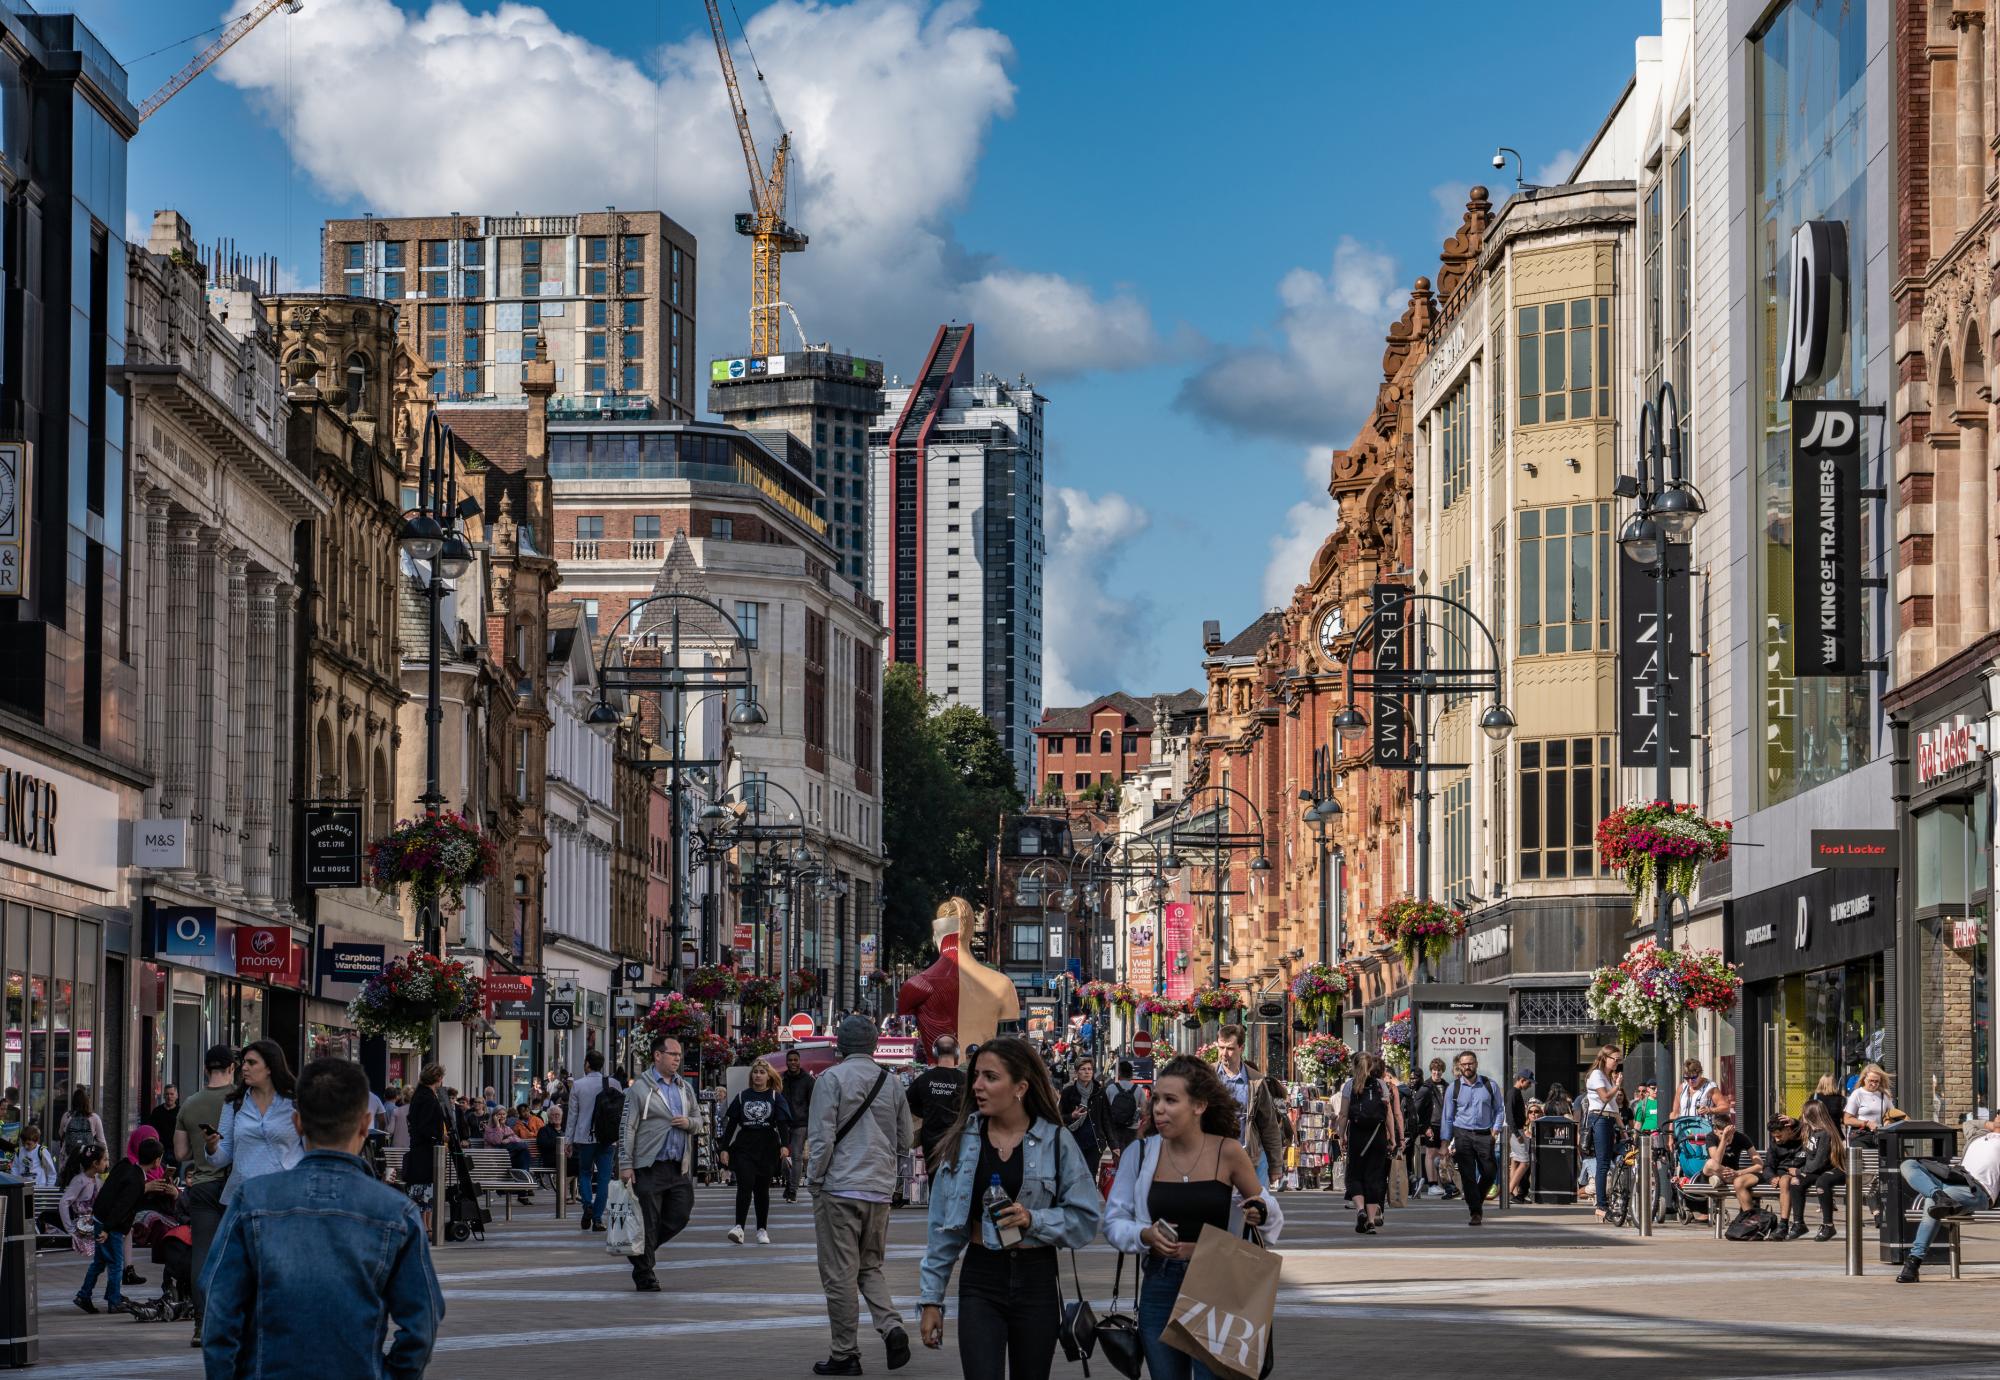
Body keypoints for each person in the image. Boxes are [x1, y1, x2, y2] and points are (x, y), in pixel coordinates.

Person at [202, 1057, 443, 1377]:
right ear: (364, 1124)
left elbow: (219, 1308)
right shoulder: (395, 1212)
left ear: (298, 1123)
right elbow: (422, 1321)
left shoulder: (252, 1201)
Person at [915, 1036, 1102, 1380]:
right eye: (976, 1077)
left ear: (1020, 1087)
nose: (977, 1086)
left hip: (1037, 1279)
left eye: (990, 1077)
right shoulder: (963, 1141)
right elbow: (941, 1231)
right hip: (981, 1279)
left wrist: (1034, 1219)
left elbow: (1086, 1219)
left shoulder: (1057, 1141)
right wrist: (931, 1301)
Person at [1103, 1055, 1274, 1380]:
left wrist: (1258, 1210)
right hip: (1160, 1281)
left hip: (1218, 1280)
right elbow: (1113, 1221)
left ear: (1199, 1106)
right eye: (1156, 1099)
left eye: (1170, 1100)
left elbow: (1268, 1211)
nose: (1159, 1109)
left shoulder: (1228, 1152)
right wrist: (1144, 1235)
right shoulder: (1139, 1153)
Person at [806, 1015, 914, 1376]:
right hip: (878, 1189)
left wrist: (814, 1179)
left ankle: (845, 1353)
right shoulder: (892, 1082)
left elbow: (822, 1137)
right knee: (870, 1266)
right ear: (873, 1045)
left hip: (839, 1187)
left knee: (839, 1274)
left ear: (840, 1045)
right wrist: (892, 1178)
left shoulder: (831, 1079)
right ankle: (891, 1325)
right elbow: (905, 1141)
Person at [618, 1035, 704, 1293]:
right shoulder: (639, 1089)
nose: (678, 1058)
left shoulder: (684, 1088)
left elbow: (699, 1121)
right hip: (648, 1165)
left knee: (680, 1214)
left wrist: (688, 1123)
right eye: (673, 1054)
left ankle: (640, 1253)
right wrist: (626, 1163)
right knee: (649, 1220)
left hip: (677, 1167)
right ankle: (645, 1274)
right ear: (658, 1056)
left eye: (679, 1055)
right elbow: (627, 1128)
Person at [175, 1042, 236, 1347]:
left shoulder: (189, 1104)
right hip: (233, 1185)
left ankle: (200, 1324)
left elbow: (180, 1151)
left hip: (200, 1186)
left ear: (205, 1070)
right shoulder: (241, 1098)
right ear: (233, 1068)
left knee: (201, 1253)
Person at [1897, 1108, 2000, 1282]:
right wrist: (1991, 1125)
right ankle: (1938, 1195)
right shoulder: (1979, 1135)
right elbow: (1968, 1124)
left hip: (1976, 1189)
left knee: (1931, 1204)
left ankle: (1913, 1263)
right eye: (1998, 1114)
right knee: (1909, 1165)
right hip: (1953, 1176)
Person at [205, 1040, 302, 1213]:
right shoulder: (234, 1103)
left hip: (286, 1199)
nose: (244, 1067)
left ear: (270, 1067)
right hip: (243, 1199)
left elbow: (311, 1149)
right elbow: (224, 1156)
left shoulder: (295, 1103)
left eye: (252, 1062)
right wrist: (212, 1147)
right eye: (244, 1062)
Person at [719, 1058, 795, 1244]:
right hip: (745, 1144)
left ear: (769, 1076)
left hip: (767, 1146)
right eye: (755, 1072)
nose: (758, 1075)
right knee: (745, 1184)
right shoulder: (742, 1096)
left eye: (762, 1072)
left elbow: (782, 1124)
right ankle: (739, 1227)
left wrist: (785, 1146)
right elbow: (731, 1125)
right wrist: (724, 1148)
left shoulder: (775, 1097)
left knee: (762, 1189)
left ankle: (762, 1229)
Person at [1437, 1049, 1506, 1224]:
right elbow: (1448, 1117)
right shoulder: (1454, 1088)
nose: (1467, 1067)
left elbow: (1499, 1109)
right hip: (1463, 1134)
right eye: (1464, 1064)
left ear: (1476, 1064)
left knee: (1490, 1172)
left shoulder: (1490, 1085)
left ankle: (1476, 1200)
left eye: (1470, 1063)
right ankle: (1475, 1212)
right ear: (1459, 1066)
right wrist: (1445, 1143)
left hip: (1485, 1134)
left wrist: (1495, 1129)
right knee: (1467, 1175)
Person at [1212, 1025, 1285, 1189]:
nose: (1224, 1053)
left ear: (1241, 1047)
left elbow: (1269, 1124)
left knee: (1252, 1208)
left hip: (1247, 1156)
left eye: (1230, 1048)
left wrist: (1275, 1165)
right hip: (1213, 1156)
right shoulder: (1207, 1076)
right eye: (1221, 1047)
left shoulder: (1255, 1080)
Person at [1338, 1051, 1402, 1234]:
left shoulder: (1349, 1086)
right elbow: (1388, 1113)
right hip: (1377, 1135)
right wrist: (1392, 1136)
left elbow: (1343, 1114)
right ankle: (1372, 1220)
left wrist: (1341, 1135)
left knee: (1354, 1175)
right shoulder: (1381, 1084)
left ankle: (1360, 1210)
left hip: (1357, 1135)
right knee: (1375, 1176)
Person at [62, 1140, 128, 1313]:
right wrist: (70, 1228)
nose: (107, 1163)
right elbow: (64, 1202)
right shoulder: (81, 1181)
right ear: (95, 1163)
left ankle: (84, 1295)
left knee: (99, 1263)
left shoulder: (96, 1180)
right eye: (105, 1160)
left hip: (97, 1225)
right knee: (114, 1261)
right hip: (94, 1226)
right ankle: (113, 1299)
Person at [564, 1048, 622, 1232]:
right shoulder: (614, 1083)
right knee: (605, 1178)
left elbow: (572, 1115)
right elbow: (621, 1112)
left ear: (587, 1064)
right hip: (608, 1138)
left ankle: (587, 1204)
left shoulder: (578, 1086)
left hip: (585, 1137)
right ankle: (597, 1219)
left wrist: (568, 1141)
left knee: (585, 1173)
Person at [1780, 1101, 1845, 1243]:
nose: (1802, 1115)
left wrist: (1798, 1171)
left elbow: (1819, 1162)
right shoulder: (1810, 1130)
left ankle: (1828, 1225)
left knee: (1822, 1183)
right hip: (1817, 1171)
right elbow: (1797, 1130)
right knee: (1796, 1182)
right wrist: (1791, 1121)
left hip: (1835, 1170)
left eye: (1804, 1113)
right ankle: (1799, 1224)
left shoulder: (1826, 1134)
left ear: (1811, 1116)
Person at [907, 1036, 968, 1180]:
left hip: (931, 1143)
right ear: (957, 1053)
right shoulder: (965, 1080)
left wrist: (926, 1113)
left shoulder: (924, 1079)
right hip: (958, 1141)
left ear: (934, 1053)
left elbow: (908, 1102)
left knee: (935, 1186)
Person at [403, 1065, 453, 1232]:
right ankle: (425, 1227)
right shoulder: (427, 1098)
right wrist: (440, 1137)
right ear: (438, 1078)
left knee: (426, 1188)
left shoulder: (421, 1094)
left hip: (421, 1149)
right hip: (425, 1151)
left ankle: (427, 1225)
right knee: (425, 1188)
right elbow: (424, 1126)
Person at [1583, 1044, 1623, 1221]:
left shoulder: (1606, 1077)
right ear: (1605, 1058)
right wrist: (1617, 1086)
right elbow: (1605, 1098)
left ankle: (1607, 1201)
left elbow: (1613, 1106)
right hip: (1599, 1120)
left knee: (1611, 1160)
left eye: (1619, 1060)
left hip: (1609, 1119)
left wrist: (1623, 1130)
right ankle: (1601, 1205)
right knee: (1603, 1163)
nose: (1617, 1063)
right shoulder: (1597, 1075)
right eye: (1615, 1059)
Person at [1702, 1110, 1765, 1213]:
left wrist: (1739, 1173)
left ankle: (1748, 1215)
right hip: (1712, 1172)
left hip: (1732, 1175)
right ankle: (1719, 1178)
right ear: (1715, 1131)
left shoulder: (1741, 1137)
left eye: (1730, 1134)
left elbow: (1759, 1165)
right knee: (1710, 1163)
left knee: (1738, 1180)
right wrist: (1724, 1140)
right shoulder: (1711, 1137)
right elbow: (1716, 1161)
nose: (1728, 1136)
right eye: (1721, 1134)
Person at [1057, 1054, 1110, 1170]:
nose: (1087, 1072)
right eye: (1083, 1069)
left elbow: (1106, 1119)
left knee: (1090, 1176)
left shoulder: (1099, 1092)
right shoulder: (1068, 1092)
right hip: (1074, 1142)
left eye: (1090, 1069)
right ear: (1077, 1072)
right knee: (1075, 1177)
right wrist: (1072, 1116)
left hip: (1094, 1143)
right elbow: (1057, 1118)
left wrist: (1114, 1145)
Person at [782, 1047, 815, 1203]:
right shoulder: (782, 1079)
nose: (793, 1063)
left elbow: (814, 1103)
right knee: (781, 1158)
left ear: (799, 1061)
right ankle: (790, 1183)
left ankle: (793, 1191)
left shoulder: (808, 1080)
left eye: (795, 1060)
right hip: (782, 1123)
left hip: (801, 1123)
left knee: (796, 1156)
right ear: (787, 1062)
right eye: (790, 1060)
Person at [1413, 1058, 1449, 1197]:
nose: (1436, 1072)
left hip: (1444, 1124)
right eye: (1434, 1070)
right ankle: (1432, 1185)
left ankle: (1443, 1184)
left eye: (1439, 1070)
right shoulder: (1426, 1086)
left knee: (1443, 1154)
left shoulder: (1447, 1086)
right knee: (1430, 1153)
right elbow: (1419, 1109)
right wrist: (1425, 1126)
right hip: (1431, 1124)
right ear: (1431, 1070)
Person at [1843, 1063, 1893, 1141]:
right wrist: (1867, 1124)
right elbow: (1847, 1119)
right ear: (1864, 1079)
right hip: (1861, 1135)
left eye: (1877, 1081)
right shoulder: (1857, 1094)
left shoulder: (1884, 1095)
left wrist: (1888, 1122)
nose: (1873, 1084)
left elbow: (1892, 1114)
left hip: (1879, 1135)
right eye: (1871, 1081)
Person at [1105, 1059, 1146, 1154]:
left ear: (1119, 1073)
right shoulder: (1139, 1090)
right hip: (1132, 1129)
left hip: (1115, 1129)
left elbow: (1104, 1110)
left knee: (1117, 1157)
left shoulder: (1111, 1088)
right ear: (1131, 1074)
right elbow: (1145, 1111)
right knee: (1130, 1157)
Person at [58, 1086, 106, 1161]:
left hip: (70, 1158)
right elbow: (102, 1142)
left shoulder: (67, 1116)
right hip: (87, 1159)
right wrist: (106, 1160)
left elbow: (61, 1134)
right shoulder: (94, 1117)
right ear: (87, 1101)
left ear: (73, 1102)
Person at [1509, 1100, 1543, 1201]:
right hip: (1525, 1154)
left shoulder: (1543, 1125)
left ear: (1541, 1113)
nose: (1533, 1114)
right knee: (1515, 1161)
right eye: (1530, 1112)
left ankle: (1518, 1193)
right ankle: (1515, 1192)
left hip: (1538, 1155)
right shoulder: (1523, 1126)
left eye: (1536, 1111)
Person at [482, 1108, 533, 1173]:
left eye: (503, 1114)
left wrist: (509, 1139)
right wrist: (498, 1125)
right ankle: (523, 1174)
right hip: (496, 1157)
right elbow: (497, 1141)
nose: (502, 1116)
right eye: (499, 1114)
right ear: (494, 1116)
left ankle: (524, 1173)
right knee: (521, 1146)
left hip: (508, 1158)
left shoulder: (507, 1128)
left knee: (524, 1151)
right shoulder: (488, 1129)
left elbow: (518, 1139)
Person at [11, 1123, 56, 1189]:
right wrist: (16, 1183)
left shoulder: (42, 1151)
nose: (26, 1146)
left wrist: (49, 1187)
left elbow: (51, 1171)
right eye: (23, 1144)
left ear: (36, 1141)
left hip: (39, 1187)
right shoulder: (19, 1151)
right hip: (23, 1187)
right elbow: (15, 1168)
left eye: (29, 1144)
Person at [146, 1085, 180, 1165]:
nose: (169, 1097)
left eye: (172, 1094)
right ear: (164, 1096)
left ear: (176, 1096)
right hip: (160, 1150)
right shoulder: (157, 1111)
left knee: (174, 1174)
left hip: (175, 1150)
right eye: (167, 1094)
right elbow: (151, 1130)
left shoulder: (180, 1112)